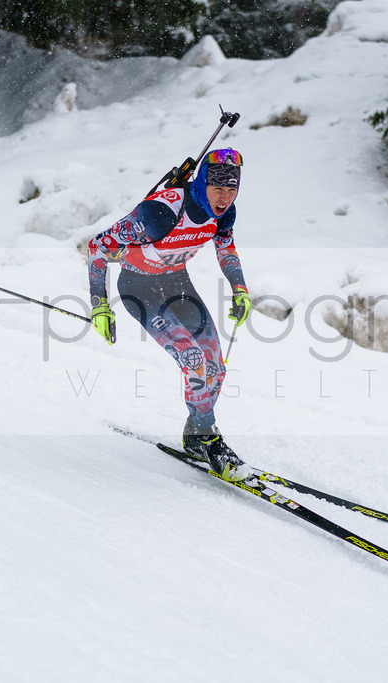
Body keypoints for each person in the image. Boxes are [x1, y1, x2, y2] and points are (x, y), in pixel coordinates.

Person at [87, 148, 252, 481]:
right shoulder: (159, 214)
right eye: (217, 187)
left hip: (177, 284)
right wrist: (99, 304)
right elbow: (98, 246)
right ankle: (209, 438)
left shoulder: (224, 214)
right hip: (140, 289)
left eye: (232, 189)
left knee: (216, 367)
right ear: (203, 181)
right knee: (194, 360)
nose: (224, 197)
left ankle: (195, 434)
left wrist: (240, 288)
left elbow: (226, 248)